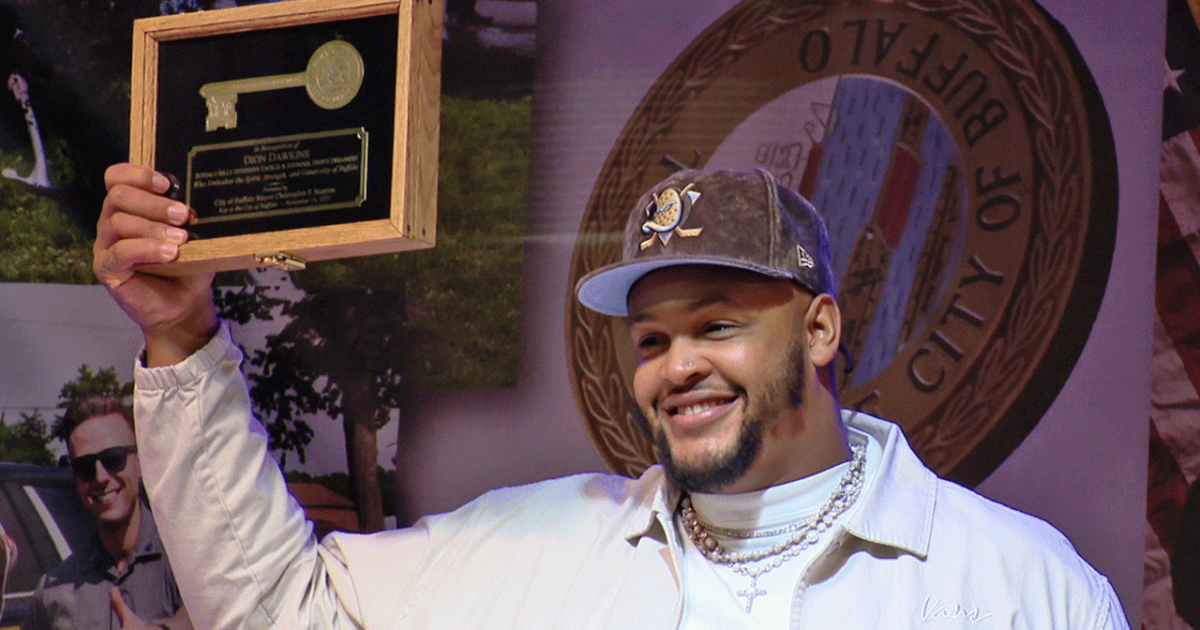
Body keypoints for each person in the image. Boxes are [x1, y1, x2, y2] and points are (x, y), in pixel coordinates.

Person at [94, 164, 1130, 629]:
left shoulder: (1021, 588)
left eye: (717, 324)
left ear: (820, 328)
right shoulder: (533, 546)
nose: (675, 366)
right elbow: (281, 610)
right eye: (650, 339)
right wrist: (183, 336)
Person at [21, 396, 192, 630]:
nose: (100, 477)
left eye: (114, 459)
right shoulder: (53, 591)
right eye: (85, 467)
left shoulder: (190, 565)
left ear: (141, 462)